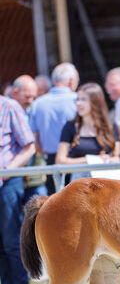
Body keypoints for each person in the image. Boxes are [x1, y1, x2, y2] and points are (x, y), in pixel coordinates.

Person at [0, 95, 35, 284]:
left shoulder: (9, 106)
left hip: (7, 182)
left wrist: (7, 171)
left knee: (12, 243)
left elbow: (29, 146)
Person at [55, 82, 120, 182]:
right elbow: (60, 160)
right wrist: (91, 160)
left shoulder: (110, 126)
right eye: (77, 99)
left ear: (96, 102)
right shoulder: (70, 126)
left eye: (83, 99)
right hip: (79, 185)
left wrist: (106, 160)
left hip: (106, 183)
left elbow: (117, 158)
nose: (78, 103)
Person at [29, 62, 79, 194]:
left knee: (55, 205)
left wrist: (46, 152)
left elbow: (34, 140)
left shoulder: (37, 104)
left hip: (50, 160)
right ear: (71, 81)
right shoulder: (78, 100)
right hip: (76, 160)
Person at [10, 75, 47, 203]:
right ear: (15, 93)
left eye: (33, 97)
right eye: (27, 97)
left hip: (36, 176)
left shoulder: (35, 111)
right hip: (12, 177)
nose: (31, 101)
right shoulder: (5, 111)